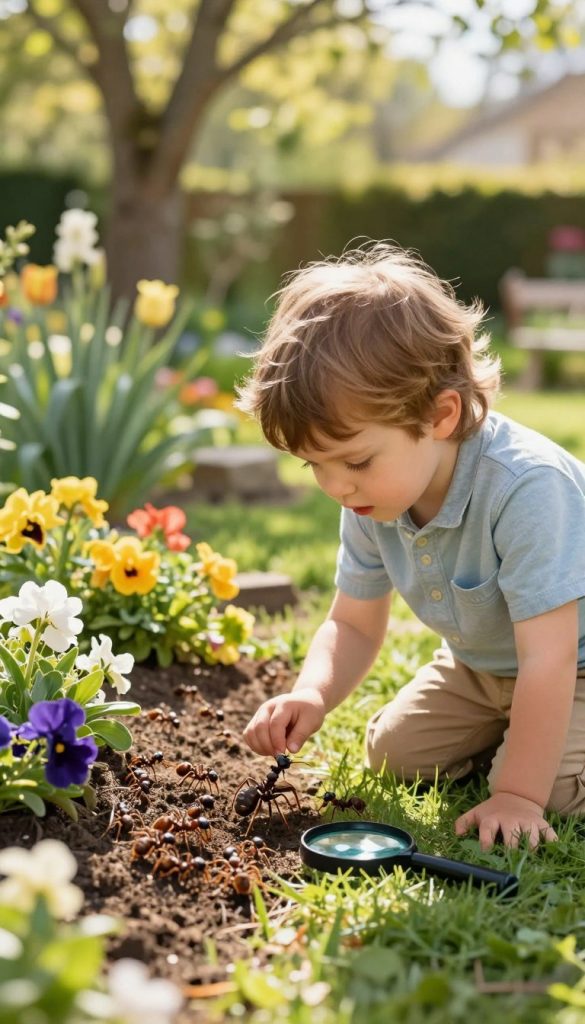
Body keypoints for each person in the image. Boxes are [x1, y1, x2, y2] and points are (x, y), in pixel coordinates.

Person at [237, 244, 585, 850]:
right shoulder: (374, 496)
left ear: (441, 416)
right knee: (394, 755)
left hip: (572, 666)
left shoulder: (527, 490)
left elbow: (548, 660)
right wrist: (312, 692)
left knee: (547, 792)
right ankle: (513, 739)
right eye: (313, 465)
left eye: (354, 460)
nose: (336, 486)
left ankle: (528, 759)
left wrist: (516, 795)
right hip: (481, 668)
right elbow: (352, 623)